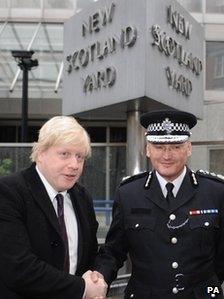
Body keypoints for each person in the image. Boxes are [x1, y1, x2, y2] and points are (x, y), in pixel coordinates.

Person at [92, 109, 224, 299]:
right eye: (159, 146)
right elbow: (114, 250)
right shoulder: (129, 193)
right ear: (147, 149)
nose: (167, 155)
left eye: (176, 147)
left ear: (189, 148)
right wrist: (100, 278)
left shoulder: (215, 191)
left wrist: (208, 288)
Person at [0, 116, 107, 299]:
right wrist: (82, 289)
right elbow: (19, 268)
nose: (74, 165)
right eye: (64, 154)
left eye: (79, 157)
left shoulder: (82, 197)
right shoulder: (8, 192)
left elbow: (89, 256)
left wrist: (96, 279)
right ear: (41, 153)